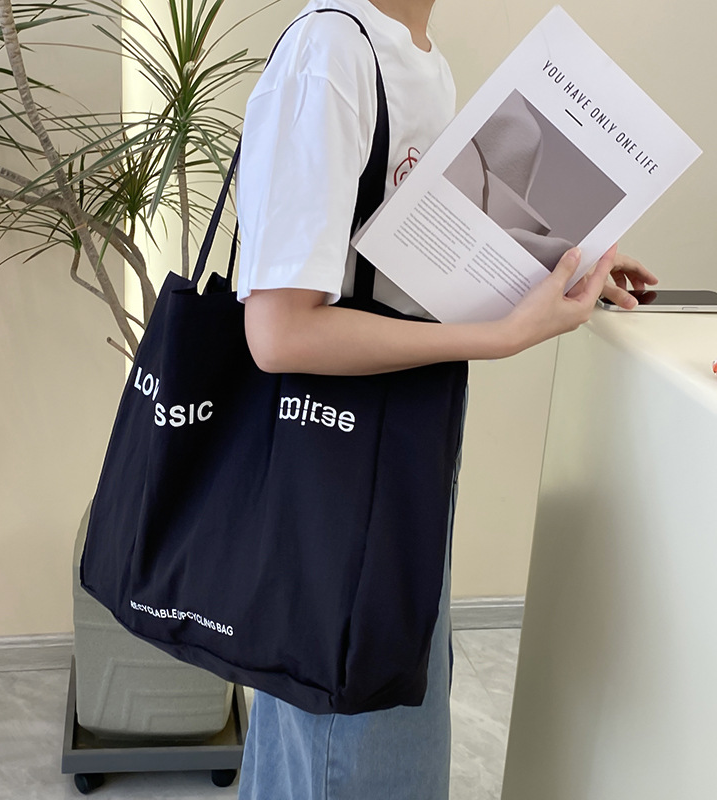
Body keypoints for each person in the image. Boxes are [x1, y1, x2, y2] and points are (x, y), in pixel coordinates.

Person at [235, 1, 656, 797]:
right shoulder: (333, 51)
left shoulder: (419, 57)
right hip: (344, 478)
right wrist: (498, 337)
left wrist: (562, 265)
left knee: (379, 729)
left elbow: (406, 270)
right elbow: (279, 333)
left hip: (396, 462)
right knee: (351, 744)